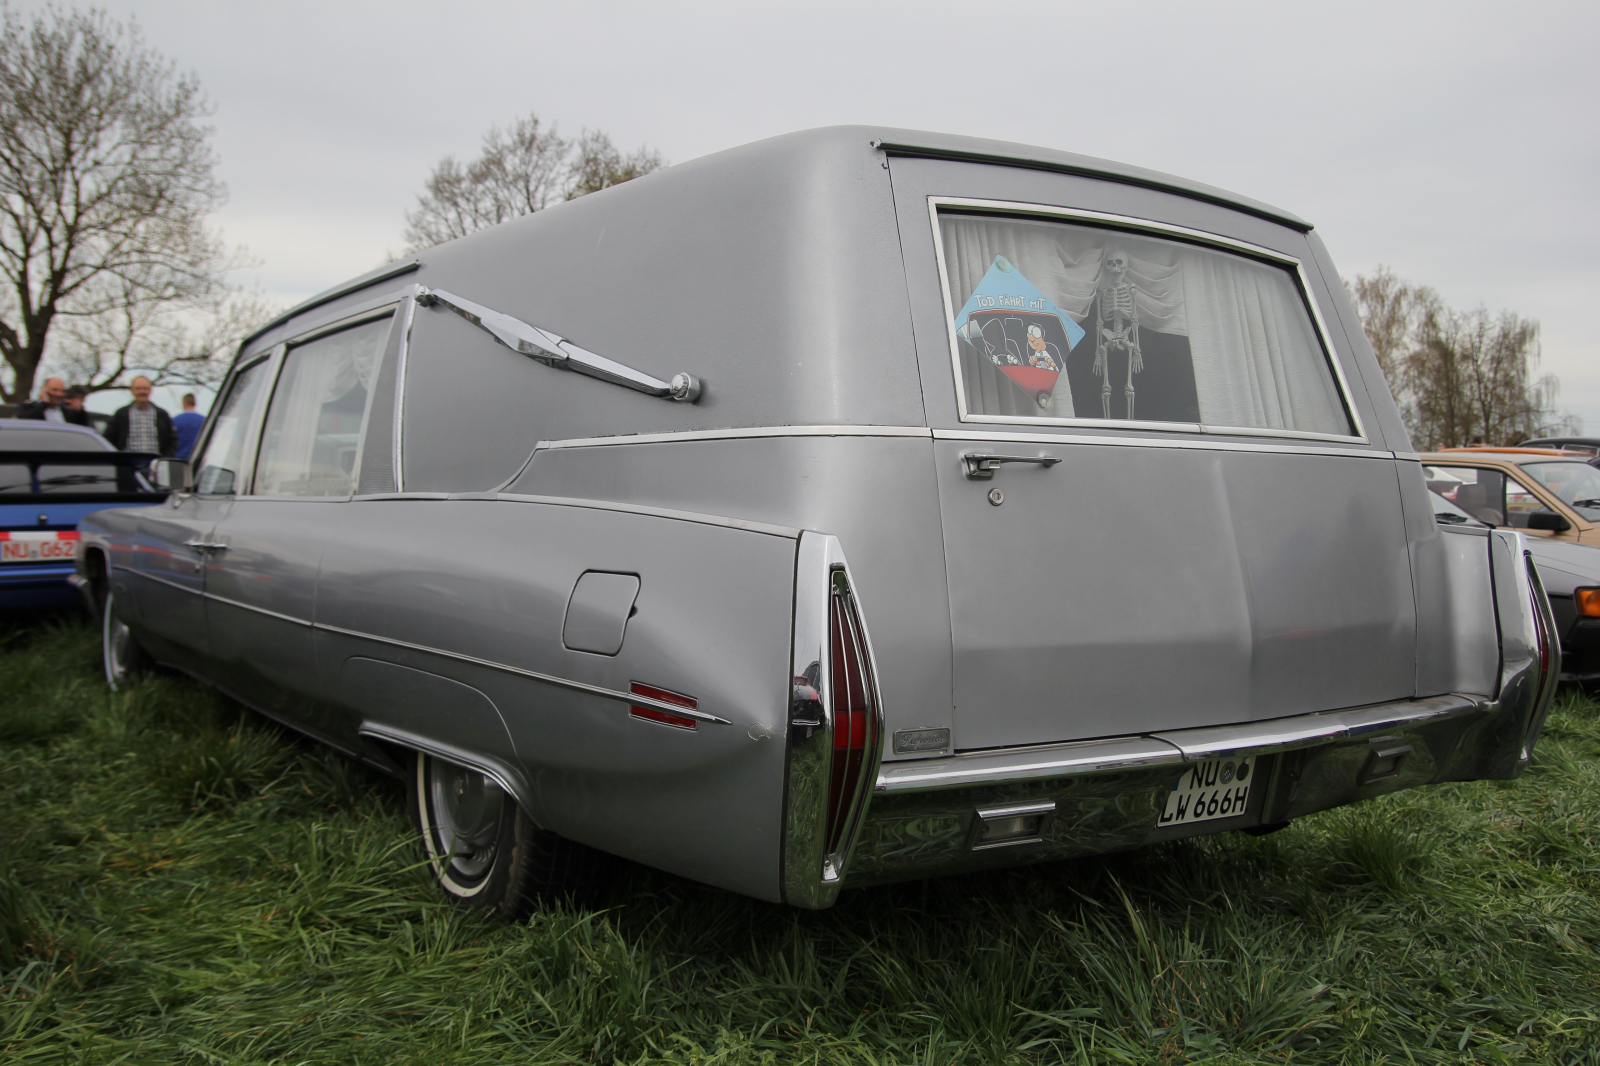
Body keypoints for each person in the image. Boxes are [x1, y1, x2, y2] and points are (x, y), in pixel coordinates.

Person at [105, 376, 176, 456]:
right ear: (132, 390)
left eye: (145, 388)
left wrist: (165, 459)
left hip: (154, 463)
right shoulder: (121, 414)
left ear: (150, 390)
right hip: (129, 464)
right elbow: (108, 439)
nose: (142, 391)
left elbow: (172, 440)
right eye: (138, 388)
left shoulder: (162, 414)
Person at [16, 377, 90, 426]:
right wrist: (44, 404)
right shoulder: (27, 407)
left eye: (62, 391)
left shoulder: (67, 411)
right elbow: (26, 424)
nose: (58, 394)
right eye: (54, 390)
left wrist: (79, 412)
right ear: (44, 390)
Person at [172, 392, 206, 459]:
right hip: (198, 460)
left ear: (184, 403)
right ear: (195, 403)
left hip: (178, 459)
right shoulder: (205, 421)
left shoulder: (175, 420)